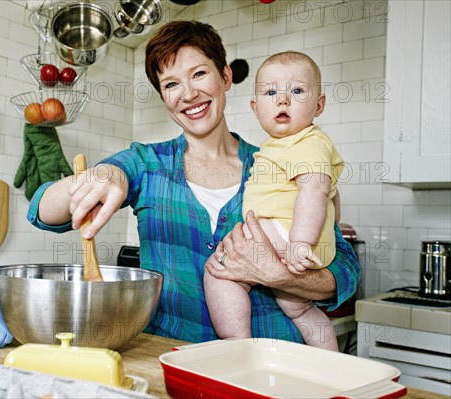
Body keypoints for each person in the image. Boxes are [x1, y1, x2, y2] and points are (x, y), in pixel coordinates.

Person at [27, 21, 360, 344]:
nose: (188, 93)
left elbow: (344, 270)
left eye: (199, 74)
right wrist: (106, 175)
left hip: (274, 366)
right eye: (171, 84)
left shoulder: (281, 164)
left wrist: (280, 276)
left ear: (225, 76)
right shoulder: (147, 163)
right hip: (172, 361)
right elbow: (42, 209)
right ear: (164, 97)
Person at [204, 51, 343, 351]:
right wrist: (325, 233)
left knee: (219, 271)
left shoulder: (305, 141)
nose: (283, 100)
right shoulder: (290, 146)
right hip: (300, 239)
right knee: (301, 309)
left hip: (288, 235)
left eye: (297, 90)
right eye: (271, 92)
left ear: (319, 105)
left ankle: (237, 344)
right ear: (255, 108)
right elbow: (332, 196)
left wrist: (300, 242)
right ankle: (332, 363)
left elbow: (315, 191)